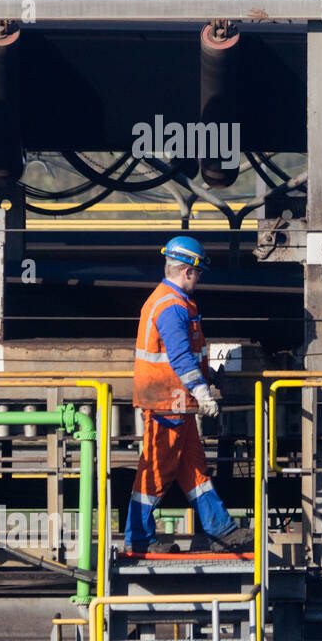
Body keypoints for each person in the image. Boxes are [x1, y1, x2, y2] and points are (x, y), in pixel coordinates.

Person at [125, 236, 252, 554]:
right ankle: (139, 538)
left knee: (194, 469)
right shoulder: (171, 307)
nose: (201, 278)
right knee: (156, 469)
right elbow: (180, 358)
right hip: (166, 402)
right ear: (188, 272)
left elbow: (188, 355)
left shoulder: (174, 301)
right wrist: (202, 392)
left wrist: (205, 381)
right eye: (200, 272)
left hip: (176, 403)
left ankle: (221, 530)